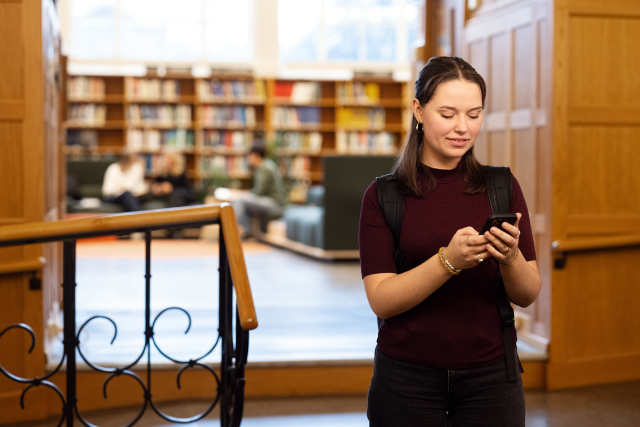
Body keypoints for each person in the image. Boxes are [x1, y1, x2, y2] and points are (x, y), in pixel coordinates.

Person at [358, 56, 541, 426]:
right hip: (405, 380)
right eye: (448, 113)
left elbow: (527, 293)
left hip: (492, 378)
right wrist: (448, 261)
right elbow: (382, 300)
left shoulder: (501, 187)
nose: (462, 127)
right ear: (419, 111)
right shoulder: (383, 196)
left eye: (474, 115)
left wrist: (510, 258)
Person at [234, 145, 286, 238]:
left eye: (249, 156)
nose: (248, 159)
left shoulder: (265, 168)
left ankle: (242, 231)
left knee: (240, 201)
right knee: (241, 201)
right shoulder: (267, 165)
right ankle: (247, 230)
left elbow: (258, 192)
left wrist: (240, 194)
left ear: (255, 155)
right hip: (271, 201)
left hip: (274, 203)